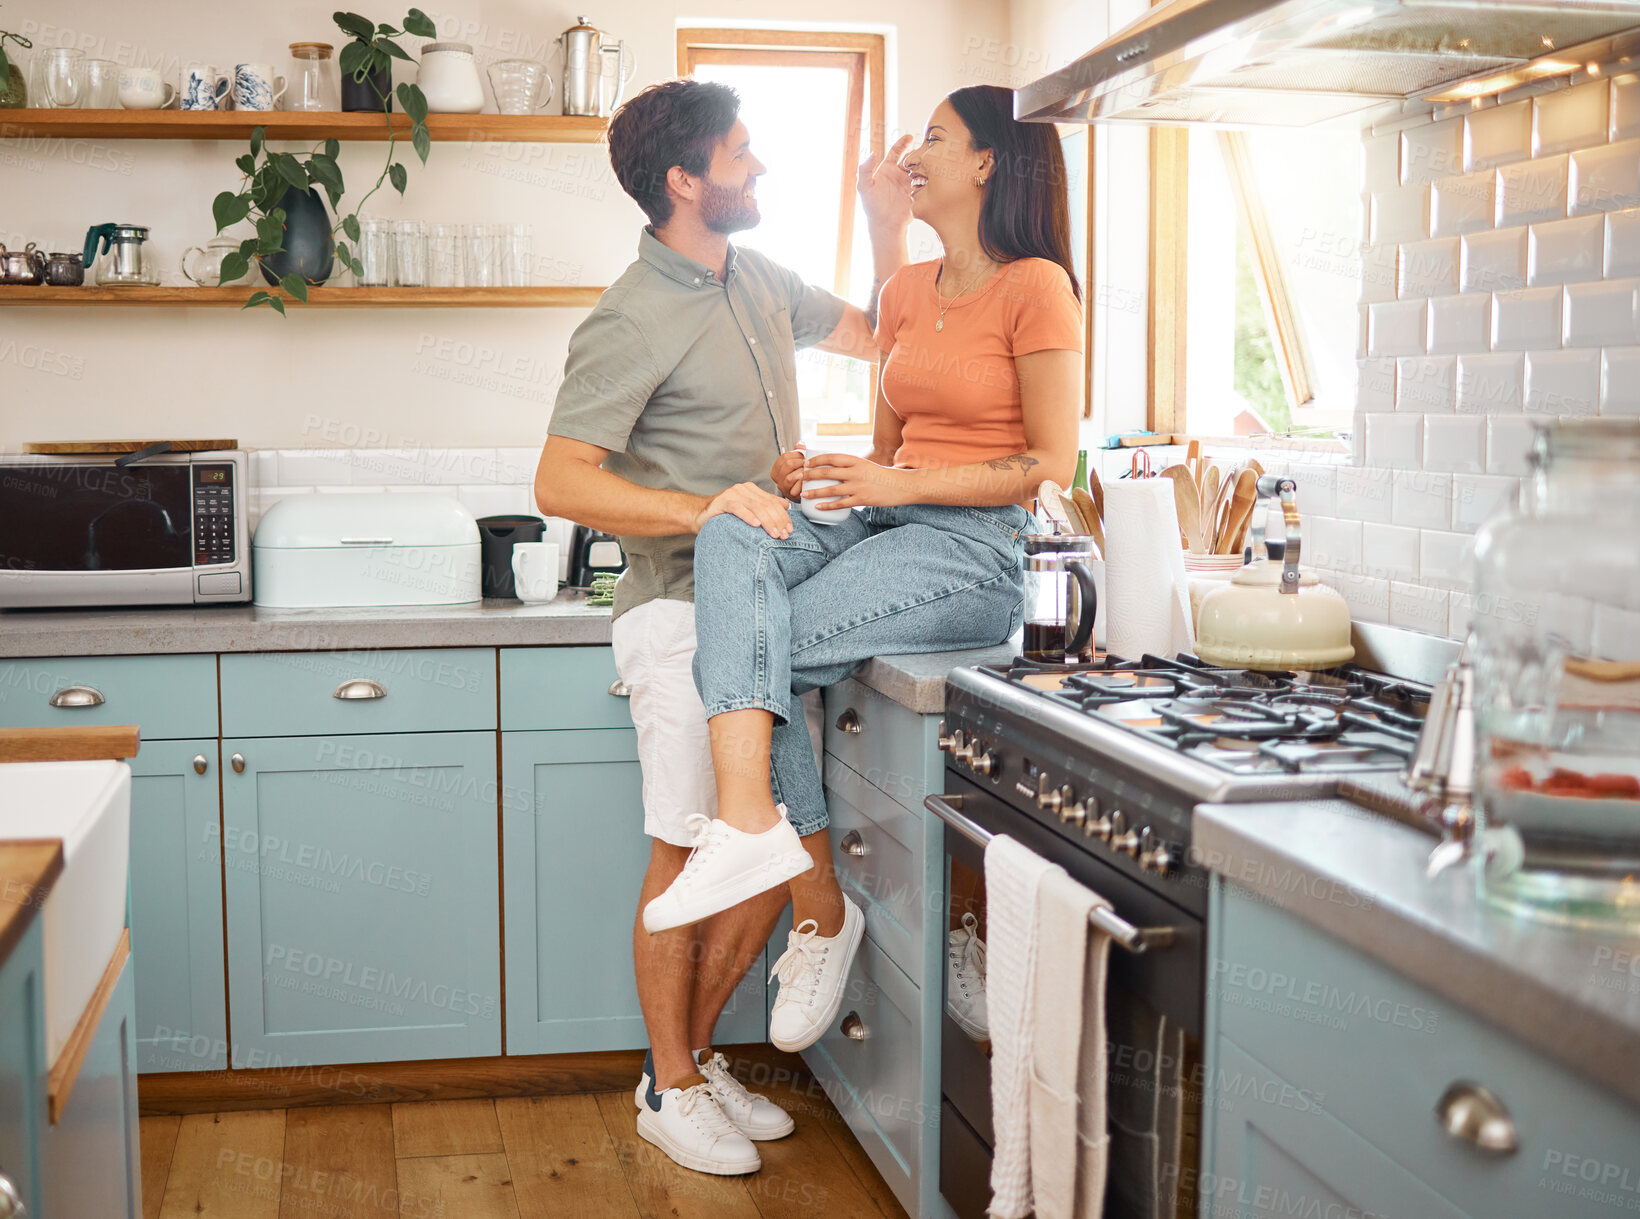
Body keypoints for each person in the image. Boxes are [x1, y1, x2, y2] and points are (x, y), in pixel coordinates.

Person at [639, 85, 1084, 1058]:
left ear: (988, 164)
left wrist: (888, 477)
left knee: (764, 646)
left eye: (934, 136)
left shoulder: (1037, 285)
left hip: (974, 547)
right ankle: (757, 826)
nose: (912, 151)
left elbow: (1053, 467)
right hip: (880, 514)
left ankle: (817, 909)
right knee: (732, 527)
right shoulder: (905, 293)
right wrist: (815, 474)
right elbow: (894, 443)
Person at [534, 78, 912, 1177]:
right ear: (682, 181)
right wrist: (705, 507)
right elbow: (560, 479)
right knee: (690, 851)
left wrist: (885, 220)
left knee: (760, 852)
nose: (757, 170)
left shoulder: (756, 280)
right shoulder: (627, 315)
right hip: (674, 613)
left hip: (762, 610)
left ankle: (691, 1060)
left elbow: (884, 332)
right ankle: (668, 1084)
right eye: (741, 155)